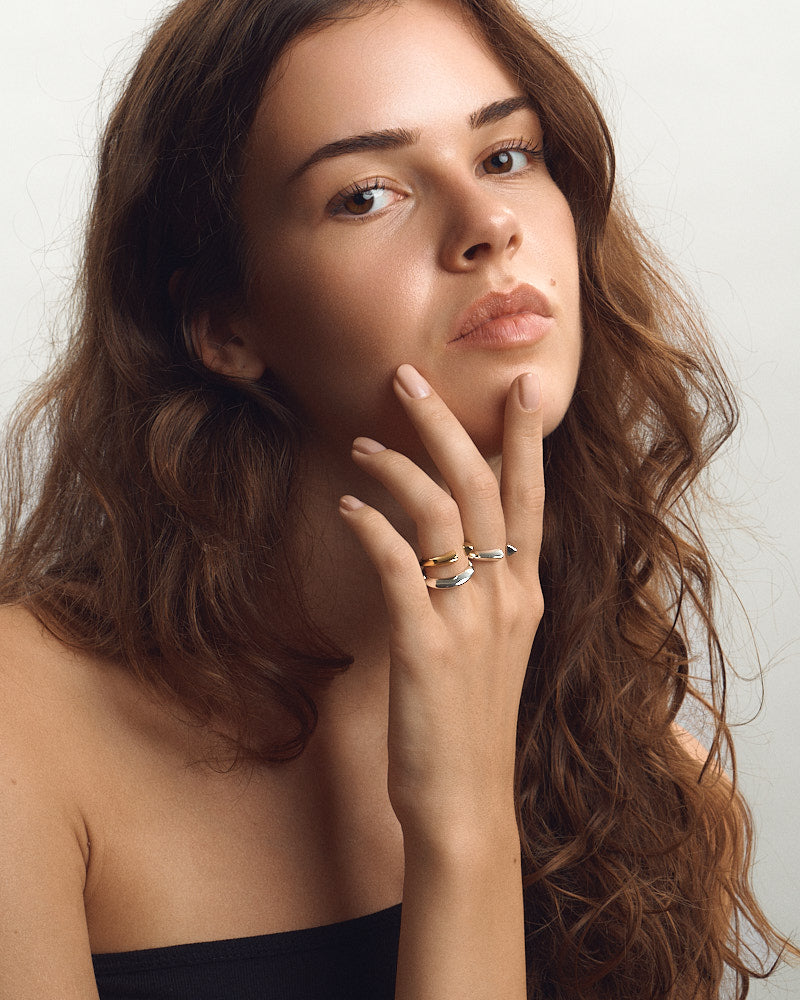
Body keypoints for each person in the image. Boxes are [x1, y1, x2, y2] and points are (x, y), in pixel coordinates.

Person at [0, 0, 795, 996]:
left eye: (505, 155)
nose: (488, 225)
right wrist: (461, 827)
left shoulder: (646, 775)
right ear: (225, 322)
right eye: (366, 194)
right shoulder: (22, 733)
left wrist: (467, 806)